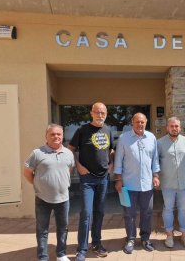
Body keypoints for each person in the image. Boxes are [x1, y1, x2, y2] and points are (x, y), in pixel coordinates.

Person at [68, 102, 114, 261]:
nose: (100, 115)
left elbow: (111, 150)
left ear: (106, 114)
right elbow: (70, 149)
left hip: (103, 178)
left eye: (103, 113)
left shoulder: (108, 130)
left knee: (99, 212)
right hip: (87, 179)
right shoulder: (82, 130)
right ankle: (81, 249)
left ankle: (96, 243)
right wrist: (78, 166)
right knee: (86, 213)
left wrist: (111, 164)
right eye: (97, 112)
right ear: (91, 113)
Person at [24, 124, 75, 261]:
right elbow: (27, 172)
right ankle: (43, 257)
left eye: (58, 134)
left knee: (63, 228)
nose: (56, 137)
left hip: (63, 199)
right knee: (42, 230)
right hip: (42, 198)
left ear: (62, 136)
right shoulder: (37, 153)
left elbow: (68, 171)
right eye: (52, 134)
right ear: (46, 136)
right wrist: (39, 184)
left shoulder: (69, 154)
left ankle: (61, 255)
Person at [114, 113, 160, 254]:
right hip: (128, 185)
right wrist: (118, 180)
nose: (140, 124)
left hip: (147, 184)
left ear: (146, 122)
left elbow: (155, 159)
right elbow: (118, 160)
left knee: (147, 213)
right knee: (129, 214)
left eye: (142, 122)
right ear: (132, 122)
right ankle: (131, 239)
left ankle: (145, 239)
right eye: (137, 122)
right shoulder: (124, 138)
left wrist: (156, 175)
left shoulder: (151, 137)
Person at [157, 117, 185, 248]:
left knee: (184, 210)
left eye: (176, 126)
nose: (174, 128)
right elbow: (156, 162)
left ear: (180, 127)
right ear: (167, 128)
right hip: (167, 184)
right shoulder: (159, 143)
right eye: (171, 126)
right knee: (168, 209)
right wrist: (156, 176)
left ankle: (184, 235)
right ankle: (169, 236)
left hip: (184, 183)